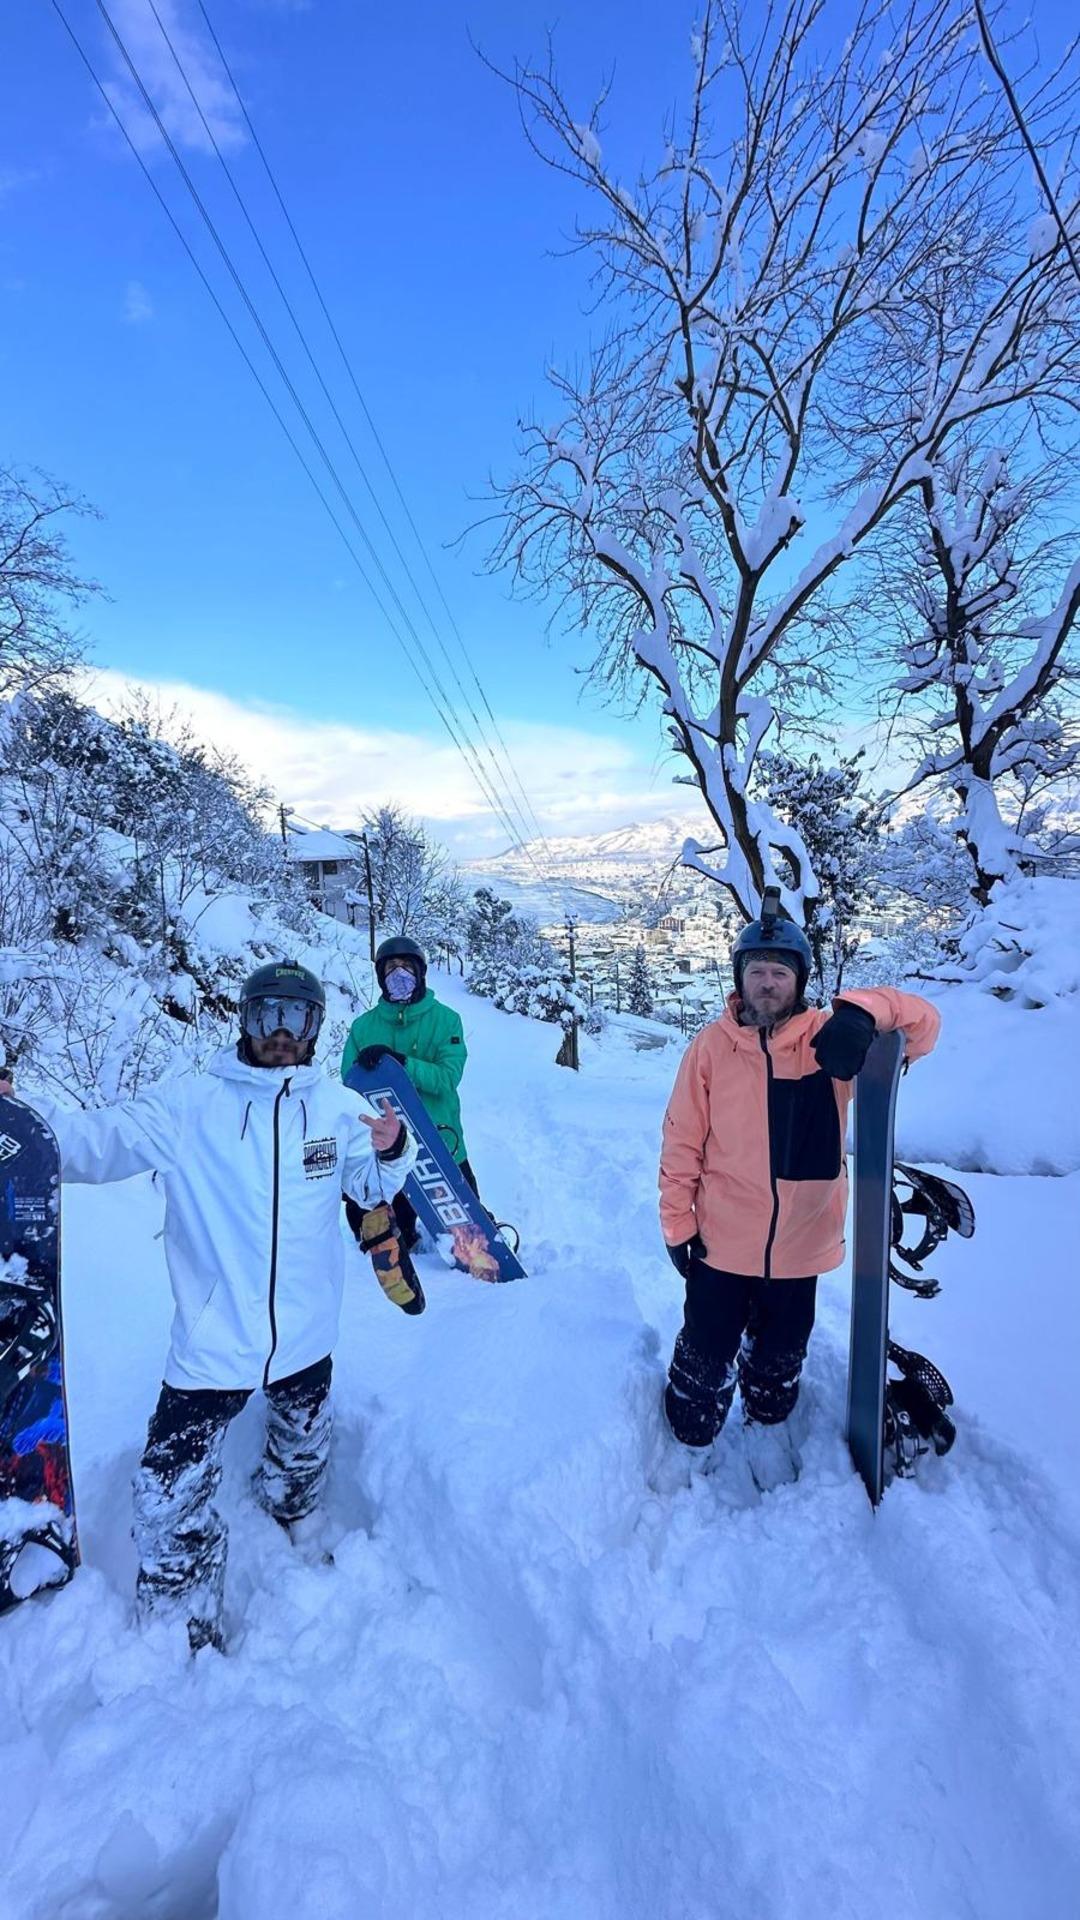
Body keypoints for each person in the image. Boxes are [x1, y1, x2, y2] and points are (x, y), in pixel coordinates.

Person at [0, 961, 416, 1652]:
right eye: (266, 1016)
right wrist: (18, 1120)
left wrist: (392, 1148)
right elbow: (90, 1142)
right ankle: (176, 1617)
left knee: (301, 1451)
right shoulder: (189, 1106)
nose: (280, 1033)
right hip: (212, 1345)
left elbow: (370, 1186)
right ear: (245, 1021)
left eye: (296, 1018)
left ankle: (295, 1510)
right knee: (169, 1487)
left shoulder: (339, 1107)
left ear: (315, 1029)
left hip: (307, 1337)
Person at [659, 898, 940, 1482]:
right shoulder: (710, 1048)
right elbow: (681, 1141)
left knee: (780, 1355)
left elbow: (922, 1024)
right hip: (721, 1242)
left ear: (800, 980)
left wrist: (863, 1013)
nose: (767, 983)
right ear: (739, 977)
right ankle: (691, 1442)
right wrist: (676, 1225)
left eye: (780, 972)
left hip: (801, 1245)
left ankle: (767, 1427)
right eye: (756, 970)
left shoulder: (826, 1038)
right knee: (704, 1352)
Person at [341, 936, 475, 1249]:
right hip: (387, 1150)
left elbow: (446, 1079)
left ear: (420, 972)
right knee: (388, 1234)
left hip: (440, 1144)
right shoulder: (363, 1028)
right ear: (380, 976)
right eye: (391, 967)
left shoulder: (446, 1020)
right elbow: (348, 1086)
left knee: (470, 1228)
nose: (398, 974)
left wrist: (401, 1064)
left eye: (405, 967)